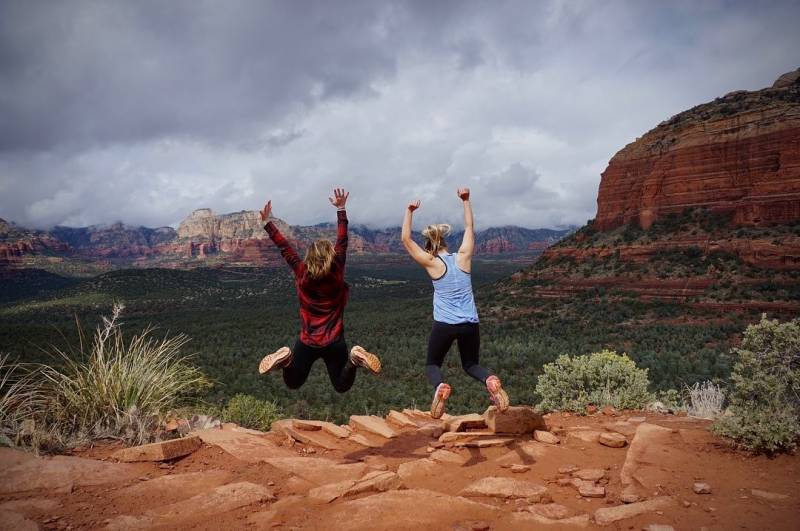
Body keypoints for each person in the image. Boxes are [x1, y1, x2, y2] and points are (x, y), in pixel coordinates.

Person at [257, 188, 381, 392]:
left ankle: (286, 360)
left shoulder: (302, 273)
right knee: (341, 385)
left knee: (293, 382)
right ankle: (354, 360)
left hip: (308, 340)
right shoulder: (337, 270)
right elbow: (342, 241)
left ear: (309, 257)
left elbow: (285, 248)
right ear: (331, 256)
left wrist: (267, 223)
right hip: (334, 340)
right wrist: (341, 208)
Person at [401, 187, 509, 419]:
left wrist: (409, 211)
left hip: (445, 324)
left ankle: (440, 386)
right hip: (470, 323)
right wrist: (466, 200)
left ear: (429, 246)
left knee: (432, 364)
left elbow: (406, 239)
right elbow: (469, 227)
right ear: (446, 243)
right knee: (470, 364)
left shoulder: (431, 263)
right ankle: (490, 380)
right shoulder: (463, 257)